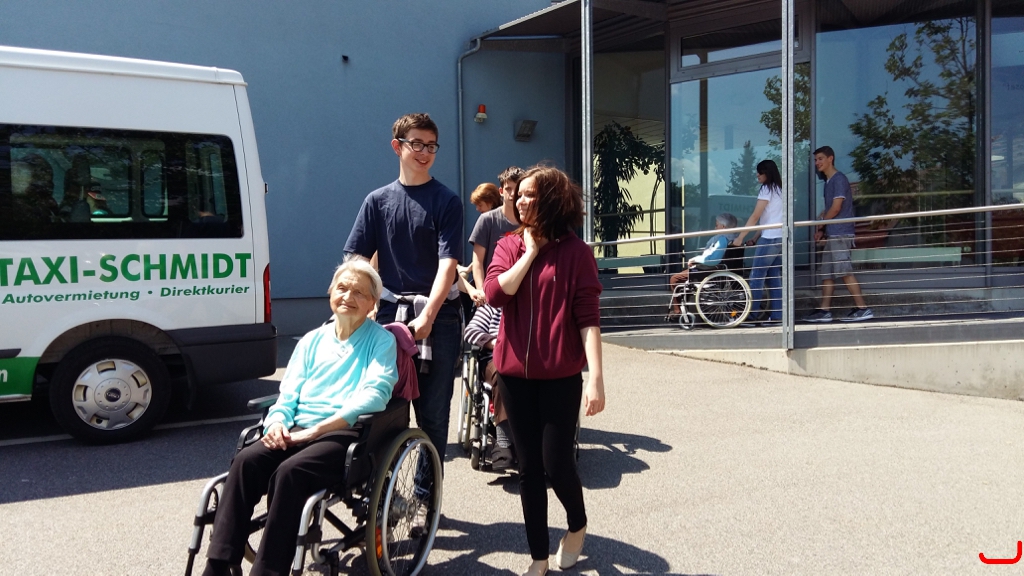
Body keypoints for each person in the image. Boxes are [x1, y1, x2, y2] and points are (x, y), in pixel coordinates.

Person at [202, 260, 397, 576]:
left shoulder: (381, 341)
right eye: (342, 288)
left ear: (372, 302)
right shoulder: (311, 340)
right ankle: (218, 565)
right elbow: (288, 393)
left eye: (359, 293)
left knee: (290, 472)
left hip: (343, 432)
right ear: (330, 292)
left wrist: (316, 430)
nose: (348, 297)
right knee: (246, 462)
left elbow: (375, 394)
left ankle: (268, 571)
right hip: (295, 427)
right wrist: (276, 423)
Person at [485, 165, 605, 576]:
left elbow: (588, 318)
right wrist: (530, 251)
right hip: (513, 377)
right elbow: (495, 293)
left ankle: (577, 523)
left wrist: (596, 379)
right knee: (528, 469)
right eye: (517, 194)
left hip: (560, 377)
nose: (519, 200)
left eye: (529, 194)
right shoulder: (507, 245)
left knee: (557, 464)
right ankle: (538, 557)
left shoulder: (576, 253)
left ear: (553, 200)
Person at [343, 112, 463, 490]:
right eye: (416, 144)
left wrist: (429, 315)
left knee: (433, 416)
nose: (424, 153)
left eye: (431, 146)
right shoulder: (377, 201)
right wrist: (361, 302)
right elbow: (357, 260)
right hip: (390, 316)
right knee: (384, 409)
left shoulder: (447, 201)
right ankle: (382, 495)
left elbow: (448, 265)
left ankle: (426, 497)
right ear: (398, 147)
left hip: (439, 318)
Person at [804, 146, 874, 323]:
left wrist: (821, 224)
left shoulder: (839, 179)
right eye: (815, 160)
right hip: (832, 233)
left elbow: (836, 208)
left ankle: (863, 308)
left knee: (844, 271)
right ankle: (824, 310)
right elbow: (829, 209)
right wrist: (822, 229)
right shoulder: (828, 183)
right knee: (827, 273)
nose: (817, 162)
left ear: (831, 159)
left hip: (841, 233)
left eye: (820, 158)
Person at [462, 301, 516, 470]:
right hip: (495, 358)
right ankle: (504, 442)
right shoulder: (492, 306)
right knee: (504, 372)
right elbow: (470, 331)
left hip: (527, 359)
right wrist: (496, 343)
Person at [732, 159, 784, 324]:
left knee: (756, 276)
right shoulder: (780, 190)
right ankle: (777, 316)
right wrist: (755, 237)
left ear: (767, 173)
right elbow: (770, 219)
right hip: (779, 237)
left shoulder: (766, 189)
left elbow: (755, 216)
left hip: (769, 239)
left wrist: (740, 237)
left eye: (760, 172)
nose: (757, 175)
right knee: (773, 277)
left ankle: (751, 316)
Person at [464, 166, 524, 306]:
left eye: (517, 189)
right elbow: (478, 261)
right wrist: (482, 291)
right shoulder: (487, 220)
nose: (512, 194)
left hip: (521, 296)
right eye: (508, 189)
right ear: (501, 191)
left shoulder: (530, 221)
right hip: (492, 295)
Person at [668, 212, 738, 317]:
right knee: (684, 280)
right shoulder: (732, 238)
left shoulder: (722, 240)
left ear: (723, 227)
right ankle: (683, 311)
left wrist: (696, 259)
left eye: (717, 225)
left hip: (707, 270)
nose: (715, 227)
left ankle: (678, 312)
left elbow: (713, 260)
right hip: (711, 269)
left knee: (674, 279)